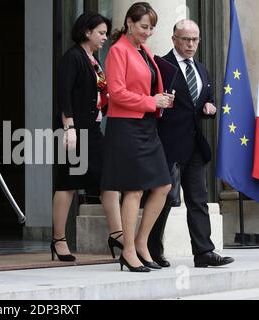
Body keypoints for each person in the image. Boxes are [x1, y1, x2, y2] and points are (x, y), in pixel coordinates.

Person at [148, 20, 234, 268]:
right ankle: (153, 250)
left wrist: (210, 107)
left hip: (195, 145)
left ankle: (204, 251)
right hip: (168, 144)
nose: (191, 44)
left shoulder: (201, 69)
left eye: (195, 39)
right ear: (174, 39)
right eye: (186, 39)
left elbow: (206, 100)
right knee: (162, 200)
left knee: (198, 199)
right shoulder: (162, 66)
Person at [101, 2, 173, 272]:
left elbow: (149, 86)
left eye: (152, 27)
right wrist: (151, 101)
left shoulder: (143, 50)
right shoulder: (118, 50)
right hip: (126, 127)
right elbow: (116, 94)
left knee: (163, 186)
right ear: (129, 22)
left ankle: (141, 243)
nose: (148, 32)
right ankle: (128, 250)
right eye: (144, 26)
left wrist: (162, 100)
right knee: (133, 190)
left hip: (145, 126)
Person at [53, 12, 123, 262]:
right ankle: (59, 239)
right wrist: (69, 127)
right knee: (68, 184)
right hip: (74, 130)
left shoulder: (94, 60)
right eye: (101, 33)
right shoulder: (72, 57)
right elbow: (64, 94)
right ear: (87, 32)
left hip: (93, 131)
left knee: (109, 180)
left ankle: (117, 234)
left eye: (106, 33)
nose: (105, 37)